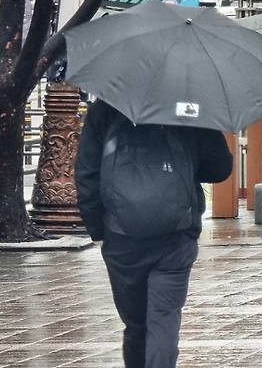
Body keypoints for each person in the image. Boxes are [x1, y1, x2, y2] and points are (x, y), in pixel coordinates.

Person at [76, 99, 232, 368]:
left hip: (121, 236)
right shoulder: (190, 106)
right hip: (176, 235)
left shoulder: (106, 107)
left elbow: (87, 173)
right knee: (163, 320)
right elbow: (219, 169)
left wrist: (98, 229)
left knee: (136, 325)